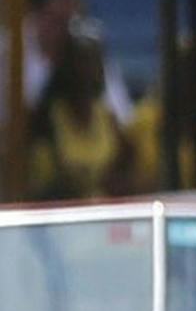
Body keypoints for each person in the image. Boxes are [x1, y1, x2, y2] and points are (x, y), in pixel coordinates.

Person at [27, 19, 137, 201]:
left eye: (93, 60)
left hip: (100, 216)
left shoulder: (108, 119)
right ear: (64, 65)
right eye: (80, 60)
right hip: (57, 217)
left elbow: (127, 174)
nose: (86, 69)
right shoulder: (44, 119)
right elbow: (36, 183)